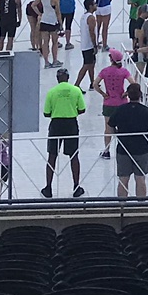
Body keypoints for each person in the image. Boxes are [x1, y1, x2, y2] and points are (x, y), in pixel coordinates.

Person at [42, 65, 87, 199]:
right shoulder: (75, 90)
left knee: (52, 155)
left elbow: (46, 113)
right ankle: (76, 187)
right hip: (71, 124)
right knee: (74, 156)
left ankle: (48, 188)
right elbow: (82, 109)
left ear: (57, 79)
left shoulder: (51, 92)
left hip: (56, 125)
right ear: (68, 78)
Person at [113, 82, 148, 199]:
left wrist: (117, 134)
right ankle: (141, 207)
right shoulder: (146, 111)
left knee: (123, 179)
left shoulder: (120, 110)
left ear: (128, 95)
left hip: (123, 149)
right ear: (140, 95)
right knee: (140, 178)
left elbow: (110, 126)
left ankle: (122, 207)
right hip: (142, 149)